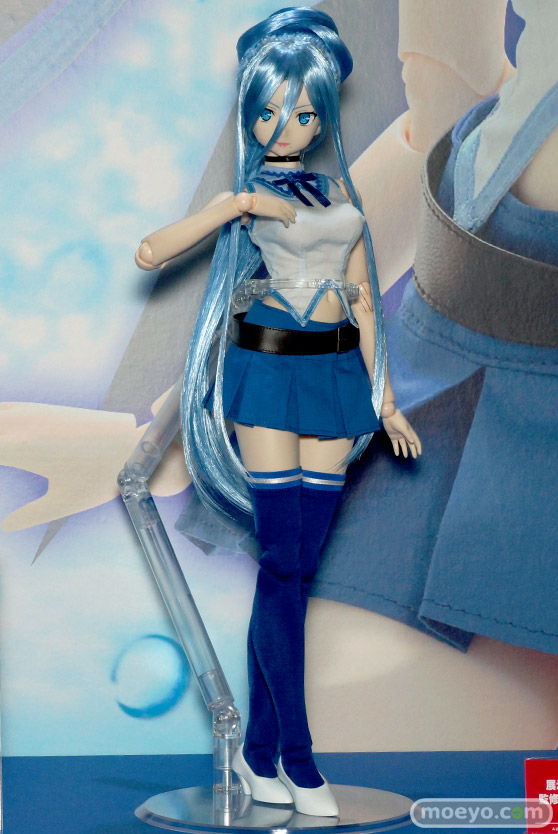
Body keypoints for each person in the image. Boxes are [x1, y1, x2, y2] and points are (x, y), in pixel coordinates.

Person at [135, 6, 420, 815]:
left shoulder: (337, 191)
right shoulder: (250, 197)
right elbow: (150, 252)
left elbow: (362, 299)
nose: (285, 127)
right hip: (267, 374)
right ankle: (299, 756)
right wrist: (230, 207)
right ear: (250, 115)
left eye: (300, 113)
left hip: (335, 378)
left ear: (322, 115)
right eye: (269, 113)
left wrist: (385, 400)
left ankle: (260, 752)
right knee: (282, 562)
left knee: (295, 568)